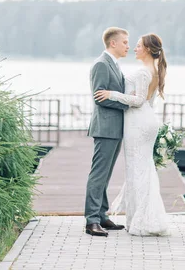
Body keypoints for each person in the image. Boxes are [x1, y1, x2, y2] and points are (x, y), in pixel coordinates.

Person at [94, 33, 169, 236]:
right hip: (147, 120)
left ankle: (141, 220)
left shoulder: (144, 71)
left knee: (137, 170)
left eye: (137, 45)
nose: (134, 48)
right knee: (143, 168)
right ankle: (141, 217)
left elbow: (139, 101)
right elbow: (148, 102)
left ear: (147, 49)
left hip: (138, 123)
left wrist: (112, 94)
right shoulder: (154, 69)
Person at [84, 27, 130, 237]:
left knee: (106, 174)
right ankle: (91, 220)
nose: (127, 46)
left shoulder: (113, 64)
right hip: (105, 128)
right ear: (113, 43)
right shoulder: (101, 64)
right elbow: (99, 97)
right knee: (98, 174)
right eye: (125, 42)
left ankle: (101, 216)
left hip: (114, 128)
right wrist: (128, 104)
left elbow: (111, 93)